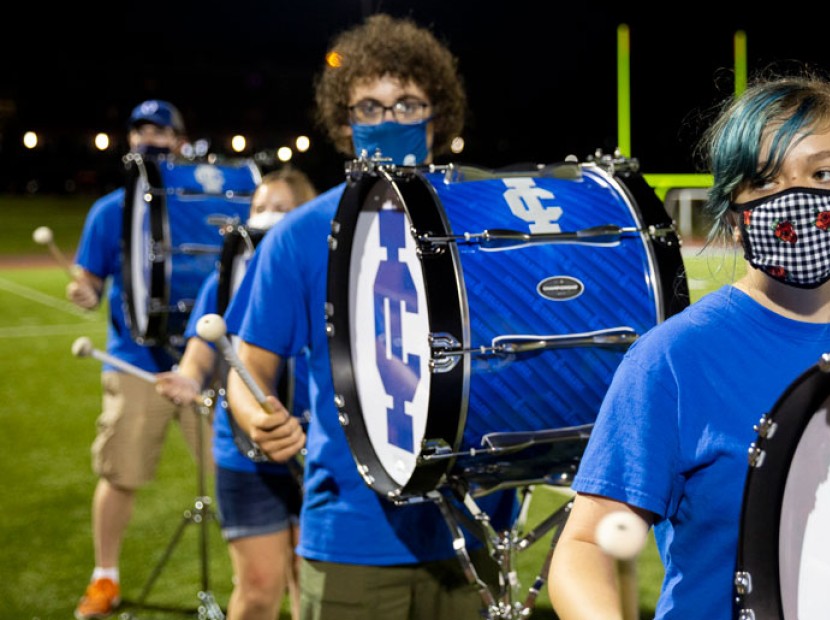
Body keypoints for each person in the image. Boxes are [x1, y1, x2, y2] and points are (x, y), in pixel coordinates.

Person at [546, 73, 830, 619]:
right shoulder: (674, 359)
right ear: (732, 209)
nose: (799, 198)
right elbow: (587, 545)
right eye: (767, 181)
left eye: (825, 172)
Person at [223, 14, 517, 619]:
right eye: (371, 107)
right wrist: (257, 415)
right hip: (353, 535)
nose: (391, 121)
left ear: (439, 115)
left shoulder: (491, 219)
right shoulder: (300, 236)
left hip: (477, 522)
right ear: (343, 122)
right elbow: (247, 363)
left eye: (408, 103)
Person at [154, 166, 318, 620]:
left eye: (282, 209)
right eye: (260, 207)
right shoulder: (225, 279)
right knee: (259, 587)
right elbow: (202, 350)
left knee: (312, 579)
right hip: (244, 451)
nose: (267, 217)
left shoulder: (326, 276)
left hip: (317, 446)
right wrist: (188, 378)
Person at [68, 99, 208, 620]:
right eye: (140, 130)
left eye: (161, 131)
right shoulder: (109, 210)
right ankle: (105, 577)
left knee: (243, 479)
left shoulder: (199, 203)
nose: (150, 138)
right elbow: (89, 278)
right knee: (120, 474)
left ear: (180, 140)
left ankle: (257, 581)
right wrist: (83, 290)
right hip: (133, 363)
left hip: (202, 361)